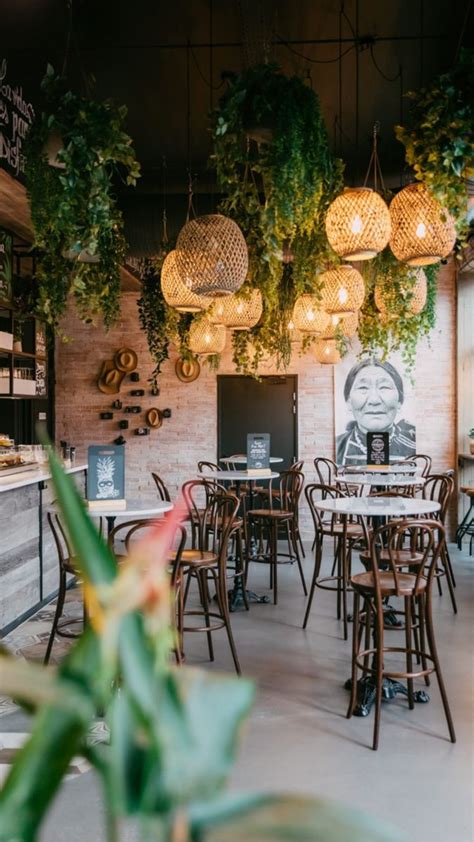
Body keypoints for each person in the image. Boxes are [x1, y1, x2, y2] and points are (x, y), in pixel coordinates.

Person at [336, 358, 416, 466]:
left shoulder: (413, 445)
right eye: (363, 387)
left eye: (384, 387)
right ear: (348, 401)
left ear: (400, 401)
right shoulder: (337, 446)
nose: (374, 400)